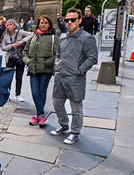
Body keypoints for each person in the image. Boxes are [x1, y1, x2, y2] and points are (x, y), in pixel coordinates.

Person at [50, 8, 98, 144]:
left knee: (76, 107)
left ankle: (74, 132)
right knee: (57, 103)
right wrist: (56, 66)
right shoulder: (63, 37)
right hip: (60, 76)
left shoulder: (87, 38)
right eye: (67, 20)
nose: (69, 22)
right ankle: (63, 125)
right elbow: (58, 54)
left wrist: (79, 70)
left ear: (80, 20)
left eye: (73, 19)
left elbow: (92, 58)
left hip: (75, 78)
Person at [22, 15, 58, 126]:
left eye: (45, 23)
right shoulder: (33, 37)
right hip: (33, 69)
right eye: (41, 22)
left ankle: (39, 115)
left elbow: (57, 54)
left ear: (49, 25)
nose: (43, 24)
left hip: (45, 70)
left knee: (42, 93)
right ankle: (41, 115)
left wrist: (47, 62)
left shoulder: (53, 38)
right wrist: (28, 61)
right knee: (34, 92)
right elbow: (25, 52)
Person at [0, 19, 34, 102]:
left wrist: (22, 41)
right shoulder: (5, 36)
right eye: (7, 25)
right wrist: (12, 45)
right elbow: (3, 47)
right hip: (10, 58)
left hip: (20, 58)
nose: (8, 26)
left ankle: (18, 94)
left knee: (19, 77)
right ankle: (7, 95)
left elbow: (32, 34)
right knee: (8, 77)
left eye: (10, 25)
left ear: (14, 25)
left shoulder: (20, 32)